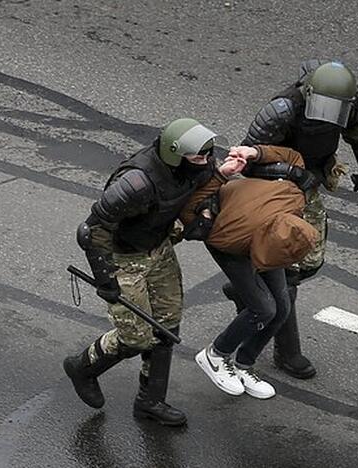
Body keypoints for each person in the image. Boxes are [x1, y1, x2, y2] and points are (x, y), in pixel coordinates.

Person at [63, 118, 244, 425]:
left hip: (159, 249)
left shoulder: (193, 167)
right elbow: (92, 230)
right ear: (176, 154)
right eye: (199, 157)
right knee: (135, 338)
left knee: (167, 326)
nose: (206, 161)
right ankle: (83, 366)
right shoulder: (136, 183)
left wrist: (219, 174)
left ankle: (150, 401)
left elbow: (199, 186)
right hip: (124, 258)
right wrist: (106, 278)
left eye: (208, 155)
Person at [230, 59, 358, 378]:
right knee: (289, 269)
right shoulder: (282, 110)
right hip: (275, 185)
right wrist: (292, 173)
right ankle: (287, 352)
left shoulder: (349, 100)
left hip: (309, 177)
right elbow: (245, 160)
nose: (329, 114)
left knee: (309, 259)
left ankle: (247, 288)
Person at [180, 145, 317, 398]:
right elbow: (190, 210)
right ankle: (215, 355)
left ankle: (244, 364)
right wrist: (221, 176)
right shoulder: (229, 236)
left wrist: (255, 152)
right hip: (229, 244)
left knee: (282, 308)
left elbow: (291, 157)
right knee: (263, 308)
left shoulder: (295, 198)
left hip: (264, 230)